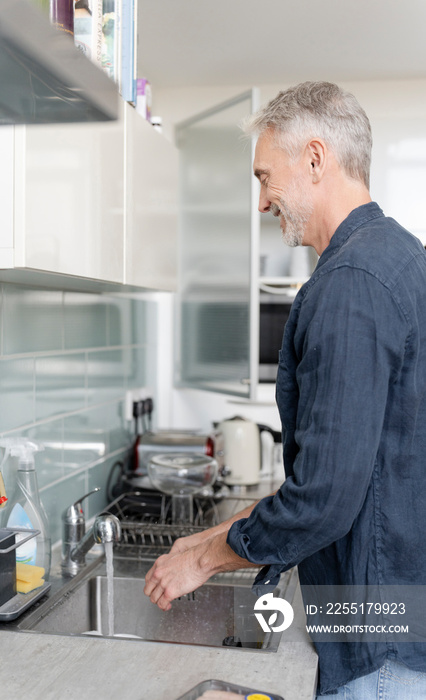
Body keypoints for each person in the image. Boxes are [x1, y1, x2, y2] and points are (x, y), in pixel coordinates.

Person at [144, 81, 426, 698]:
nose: (262, 199)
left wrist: (202, 559)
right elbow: (364, 466)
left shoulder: (352, 283)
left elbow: (325, 498)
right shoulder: (401, 257)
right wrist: (225, 531)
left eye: (266, 176)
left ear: (316, 158)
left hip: (377, 647)